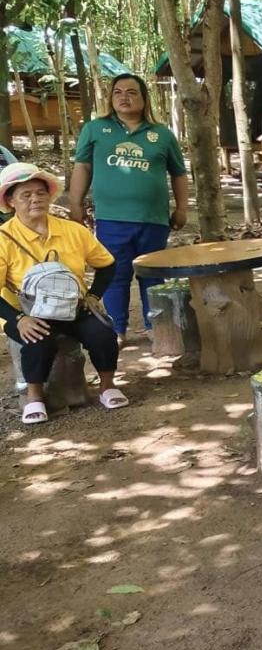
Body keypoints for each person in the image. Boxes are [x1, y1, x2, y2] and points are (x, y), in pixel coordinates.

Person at [67, 73, 189, 345]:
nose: (124, 97)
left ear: (144, 99)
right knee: (115, 274)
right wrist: (75, 203)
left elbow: (179, 174)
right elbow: (83, 167)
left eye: (132, 92)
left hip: (154, 219)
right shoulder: (95, 129)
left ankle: (155, 325)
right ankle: (116, 329)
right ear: (111, 99)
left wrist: (182, 209)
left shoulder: (162, 135)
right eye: (118, 92)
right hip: (112, 220)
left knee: (153, 274)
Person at [0, 162, 125, 424]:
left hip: (73, 306)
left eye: (40, 192)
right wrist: (18, 319)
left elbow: (107, 264)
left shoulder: (73, 231)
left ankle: (107, 386)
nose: (35, 199)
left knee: (102, 332)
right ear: (10, 201)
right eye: (26, 194)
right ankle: (34, 398)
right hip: (26, 312)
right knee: (37, 338)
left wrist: (93, 296)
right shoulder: (3, 239)